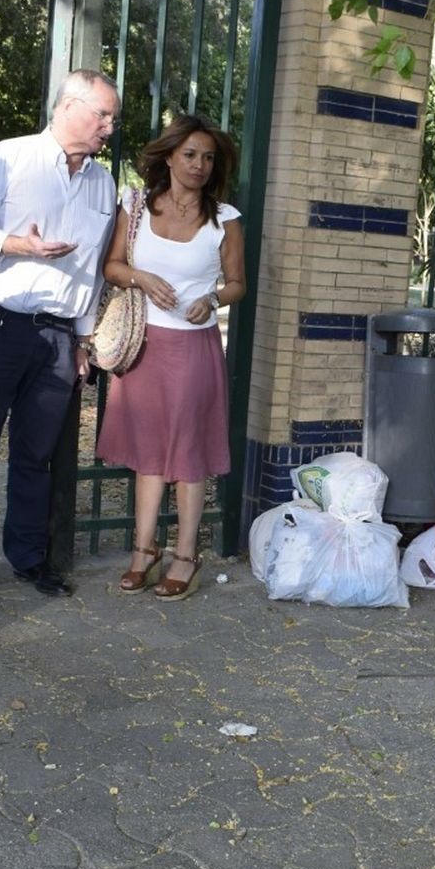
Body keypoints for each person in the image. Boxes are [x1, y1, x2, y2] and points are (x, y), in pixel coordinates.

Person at [0, 69, 120, 597]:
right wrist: (13, 244)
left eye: (113, 117)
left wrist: (84, 338)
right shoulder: (9, 156)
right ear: (69, 107)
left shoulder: (103, 182)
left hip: (59, 336)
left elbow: (92, 269)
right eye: (102, 114)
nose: (110, 127)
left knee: (36, 453)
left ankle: (28, 557)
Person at [96, 114, 244, 601]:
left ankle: (185, 556)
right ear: (169, 156)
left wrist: (216, 299)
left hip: (193, 347)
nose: (199, 165)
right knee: (148, 452)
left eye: (207, 158)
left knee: (188, 454)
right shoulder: (135, 205)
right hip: (143, 346)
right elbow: (113, 266)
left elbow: (239, 283)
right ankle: (143, 551)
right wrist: (142, 278)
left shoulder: (225, 219)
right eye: (190, 155)